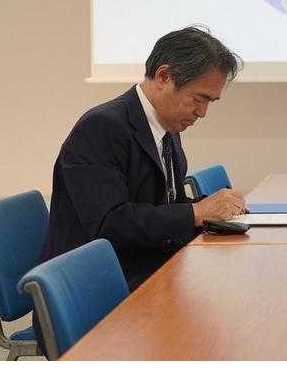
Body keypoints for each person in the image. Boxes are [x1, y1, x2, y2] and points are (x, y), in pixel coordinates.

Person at [38, 25, 247, 296]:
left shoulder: (166, 126)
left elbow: (164, 203)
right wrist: (196, 213)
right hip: (95, 287)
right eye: (199, 98)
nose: (203, 112)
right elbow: (109, 224)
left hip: (146, 265)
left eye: (210, 102)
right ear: (164, 76)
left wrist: (213, 209)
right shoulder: (102, 127)